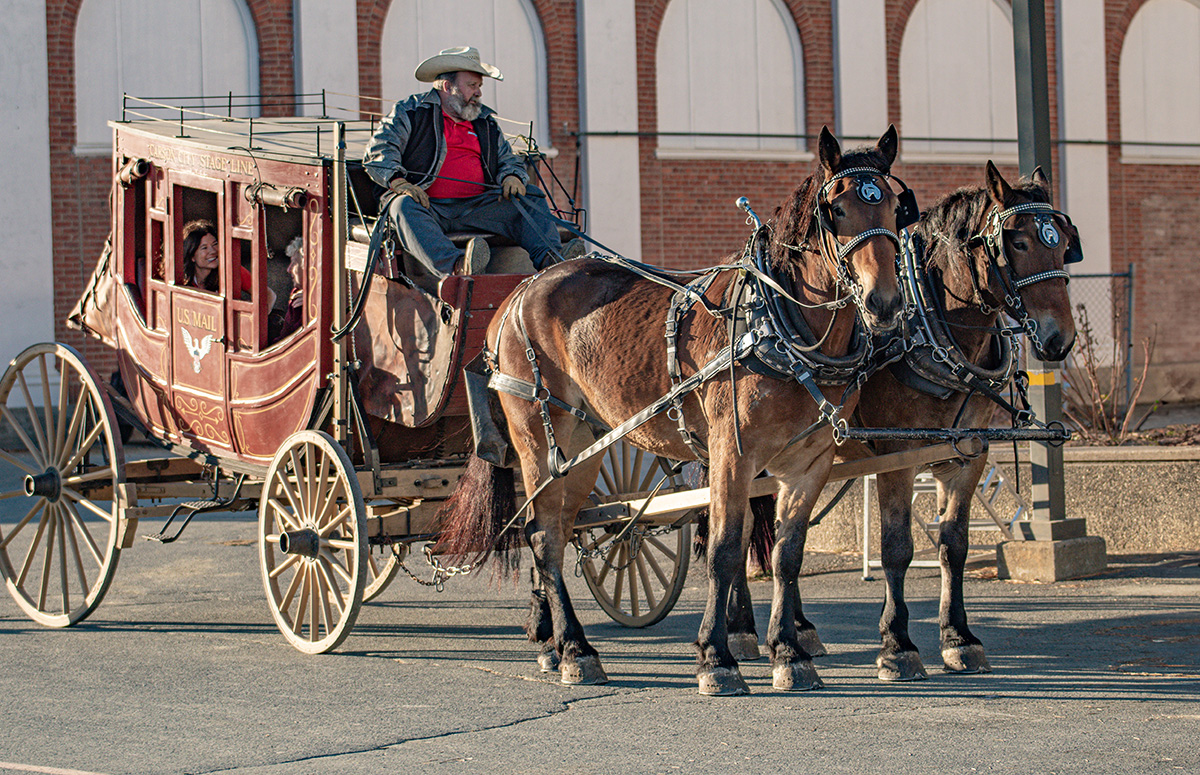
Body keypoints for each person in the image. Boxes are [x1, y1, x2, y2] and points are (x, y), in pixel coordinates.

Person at [363, 46, 582, 285]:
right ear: (448, 87)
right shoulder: (410, 111)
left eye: (479, 87)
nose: (478, 93)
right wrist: (399, 182)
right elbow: (380, 150)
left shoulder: (485, 122)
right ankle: (457, 266)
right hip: (428, 206)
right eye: (472, 86)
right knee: (401, 206)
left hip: (477, 207)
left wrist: (512, 177)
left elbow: (508, 159)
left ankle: (553, 260)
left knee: (530, 195)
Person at [181, 219, 276, 307]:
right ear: (192, 256)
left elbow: (268, 295)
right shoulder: (180, 277)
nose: (213, 251)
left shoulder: (232, 270)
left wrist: (256, 321)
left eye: (215, 244)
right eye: (204, 248)